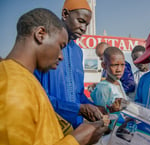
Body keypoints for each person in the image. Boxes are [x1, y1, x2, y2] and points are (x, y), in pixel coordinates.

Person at [0, 8, 109, 145]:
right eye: (60, 46)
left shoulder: (26, 81)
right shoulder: (12, 86)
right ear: (40, 34)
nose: (61, 56)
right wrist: (76, 141)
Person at [34, 0, 103, 128]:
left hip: (76, 130)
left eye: (87, 24)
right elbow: (36, 97)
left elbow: (79, 95)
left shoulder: (78, 52)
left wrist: (101, 109)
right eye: (81, 21)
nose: (84, 28)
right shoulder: (43, 44)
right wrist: (76, 109)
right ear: (65, 14)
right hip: (48, 128)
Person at [90, 47, 128, 112]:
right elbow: (101, 115)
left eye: (122, 65)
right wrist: (111, 110)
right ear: (104, 65)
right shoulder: (103, 88)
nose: (119, 69)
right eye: (114, 65)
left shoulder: (118, 82)